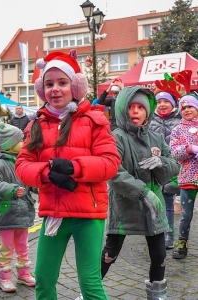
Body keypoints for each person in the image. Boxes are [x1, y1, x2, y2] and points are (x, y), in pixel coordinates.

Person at [15, 49, 121, 300]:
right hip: (54, 214)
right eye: (49, 83)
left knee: (90, 283)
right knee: (43, 281)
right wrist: (45, 173)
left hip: (88, 214)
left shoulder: (94, 120)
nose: (55, 89)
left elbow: (111, 162)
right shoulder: (37, 124)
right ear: (42, 90)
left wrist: (75, 167)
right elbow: (22, 165)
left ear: (75, 86)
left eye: (62, 82)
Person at [100, 86, 180, 300]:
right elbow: (114, 172)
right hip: (124, 207)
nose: (135, 111)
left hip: (154, 209)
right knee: (110, 253)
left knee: (159, 254)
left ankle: (157, 294)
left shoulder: (156, 138)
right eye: (131, 107)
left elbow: (173, 165)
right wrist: (143, 192)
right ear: (122, 110)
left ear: (148, 110)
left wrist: (160, 163)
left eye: (140, 107)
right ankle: (90, 291)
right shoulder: (116, 137)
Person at [0, 122, 37, 293]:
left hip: (23, 211)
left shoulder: (22, 161)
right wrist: (12, 190)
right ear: (9, 145)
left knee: (23, 246)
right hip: (7, 212)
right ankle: (5, 278)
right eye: (20, 140)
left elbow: (29, 180)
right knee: (6, 248)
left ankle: (23, 274)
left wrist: (35, 185)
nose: (24, 143)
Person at [150, 91, 181, 249]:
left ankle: (169, 235)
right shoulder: (150, 119)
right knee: (154, 202)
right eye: (159, 101)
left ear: (173, 104)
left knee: (168, 201)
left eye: (166, 101)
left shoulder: (179, 119)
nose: (162, 104)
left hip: (171, 166)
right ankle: (156, 232)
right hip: (153, 167)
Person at [170, 93, 198, 259]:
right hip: (188, 178)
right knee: (186, 215)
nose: (187, 110)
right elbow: (174, 153)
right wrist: (189, 149)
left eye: (191, 107)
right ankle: (182, 243)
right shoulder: (177, 130)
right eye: (184, 107)